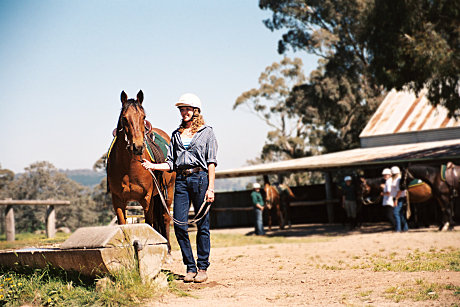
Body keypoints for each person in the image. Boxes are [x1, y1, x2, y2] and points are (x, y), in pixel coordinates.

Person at [141, 93, 217, 283]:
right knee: (180, 225)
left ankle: (202, 268)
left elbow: (211, 163)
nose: (184, 112)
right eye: (182, 109)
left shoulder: (207, 132)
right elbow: (171, 164)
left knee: (203, 225)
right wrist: (152, 166)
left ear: (195, 111)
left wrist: (211, 188)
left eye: (187, 109)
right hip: (181, 181)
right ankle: (190, 267)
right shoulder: (175, 135)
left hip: (201, 179)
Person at [391, 166, 409, 232]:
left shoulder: (398, 180)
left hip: (399, 198)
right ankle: (405, 228)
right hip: (398, 198)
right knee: (400, 213)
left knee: (396, 213)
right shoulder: (396, 179)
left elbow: (399, 191)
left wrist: (396, 199)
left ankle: (398, 229)